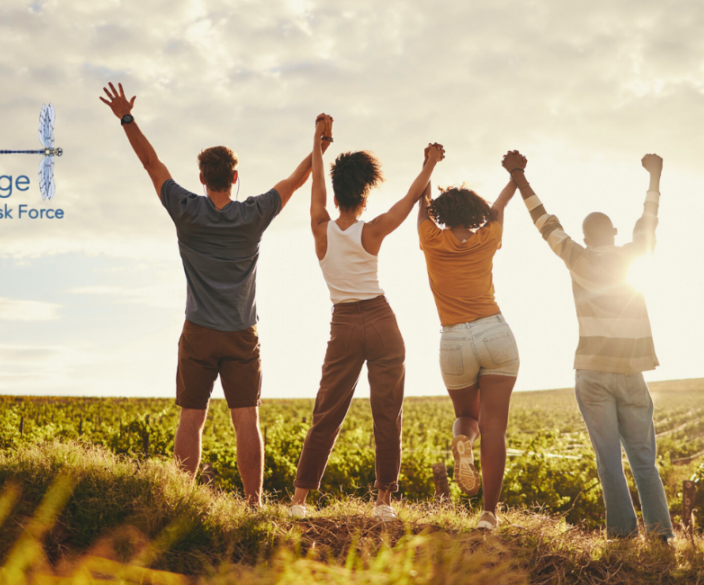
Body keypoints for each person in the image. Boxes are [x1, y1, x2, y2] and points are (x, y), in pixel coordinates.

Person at [99, 82, 326, 506]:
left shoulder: (185, 209)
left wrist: (126, 118)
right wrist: (319, 145)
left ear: (202, 178)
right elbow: (296, 181)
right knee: (246, 420)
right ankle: (254, 502)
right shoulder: (253, 215)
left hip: (199, 331)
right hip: (242, 333)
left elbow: (152, 163)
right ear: (235, 178)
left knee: (191, 418)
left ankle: (184, 499)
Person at [506, 149, 673, 540]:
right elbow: (649, 220)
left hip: (592, 374)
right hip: (631, 374)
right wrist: (654, 176)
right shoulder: (633, 255)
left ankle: (622, 536)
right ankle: (662, 536)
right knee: (644, 461)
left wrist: (518, 175)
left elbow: (543, 221)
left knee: (608, 461)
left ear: (584, 238)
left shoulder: (576, 257)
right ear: (615, 235)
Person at [290, 114, 445, 522]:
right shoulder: (371, 231)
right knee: (386, 413)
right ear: (363, 195)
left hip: (342, 325)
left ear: (337, 196)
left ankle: (299, 501)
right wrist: (429, 165)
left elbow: (316, 188)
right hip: (380, 321)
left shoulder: (320, 228)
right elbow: (409, 201)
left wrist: (317, 141)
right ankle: (383, 502)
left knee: (326, 412)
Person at [417, 161, 521, 531]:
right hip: (495, 333)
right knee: (495, 429)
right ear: (476, 214)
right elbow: (499, 208)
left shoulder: (430, 237)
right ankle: (489, 515)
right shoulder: (487, 236)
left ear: (440, 215)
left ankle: (463, 440)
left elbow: (422, 199)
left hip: (455, 339)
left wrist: (428, 164)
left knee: (469, 417)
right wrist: (514, 175)